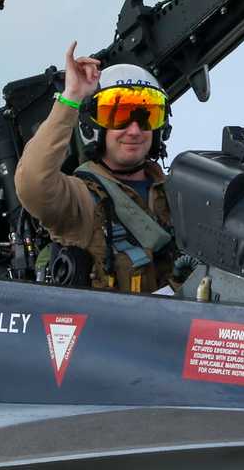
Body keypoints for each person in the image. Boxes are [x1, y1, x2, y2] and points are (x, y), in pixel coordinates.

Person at [15, 43, 180, 294]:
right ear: (93, 126)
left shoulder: (177, 195)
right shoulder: (79, 200)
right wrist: (71, 97)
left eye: (147, 116)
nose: (134, 130)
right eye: (118, 116)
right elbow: (33, 182)